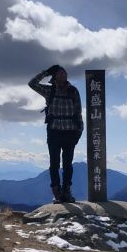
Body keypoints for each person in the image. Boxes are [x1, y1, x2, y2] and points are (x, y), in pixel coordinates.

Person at [28, 65, 83, 203]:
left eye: (64, 72)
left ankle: (67, 192)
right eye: (59, 72)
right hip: (54, 131)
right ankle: (57, 193)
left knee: (68, 164)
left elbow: (78, 112)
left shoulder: (73, 91)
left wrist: (79, 132)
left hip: (70, 132)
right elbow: (32, 84)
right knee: (54, 164)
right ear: (54, 76)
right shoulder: (49, 90)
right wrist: (45, 72)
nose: (63, 74)